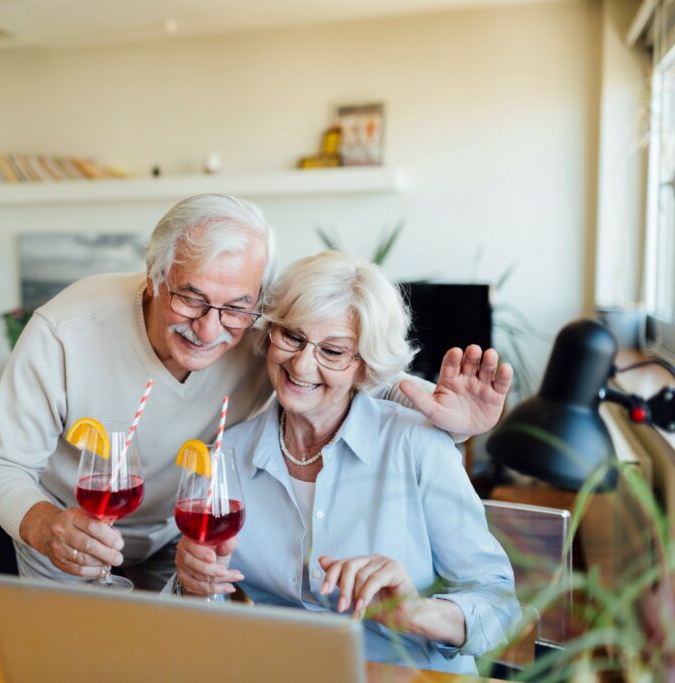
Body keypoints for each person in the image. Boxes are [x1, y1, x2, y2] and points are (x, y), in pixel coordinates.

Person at [0, 193, 512, 591]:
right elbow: (0, 465)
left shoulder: (261, 328)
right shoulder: (66, 329)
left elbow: (341, 360)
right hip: (69, 538)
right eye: (190, 299)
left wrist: (445, 413)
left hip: (175, 543)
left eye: (236, 307)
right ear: (154, 276)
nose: (211, 331)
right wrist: (47, 529)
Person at [172, 250, 519, 674]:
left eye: (332, 351)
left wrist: (415, 612)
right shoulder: (225, 458)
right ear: (269, 335)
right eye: (292, 338)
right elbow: (206, 620)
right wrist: (193, 585)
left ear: (363, 367)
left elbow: (501, 606)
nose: (301, 364)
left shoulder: (418, 446)